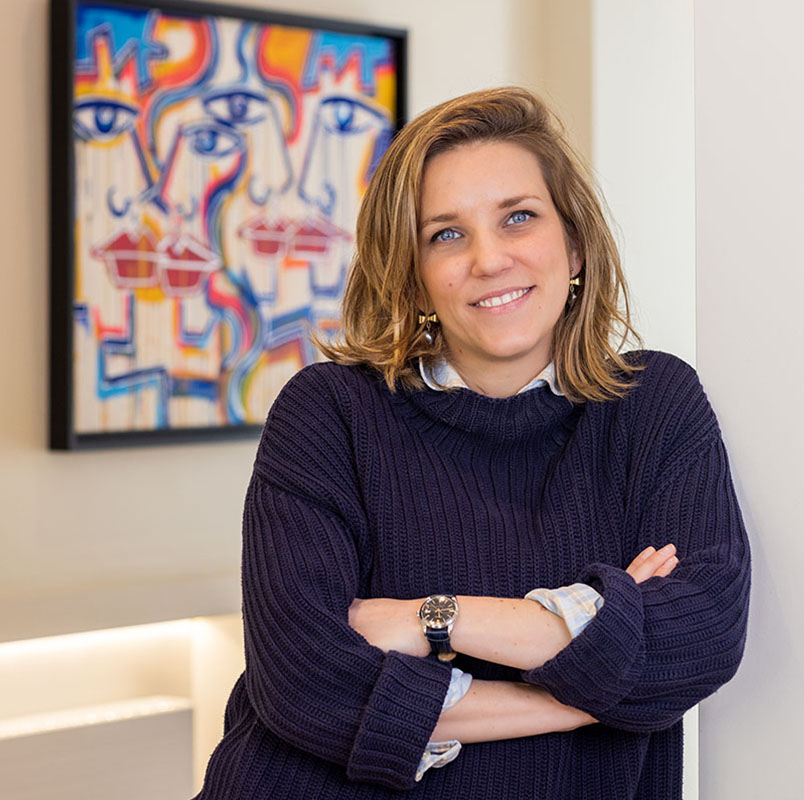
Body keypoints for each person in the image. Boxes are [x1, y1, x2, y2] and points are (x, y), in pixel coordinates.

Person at [193, 87, 751, 799]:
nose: (489, 259)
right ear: (416, 278)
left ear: (574, 245)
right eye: (446, 234)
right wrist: (580, 688)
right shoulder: (330, 411)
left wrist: (429, 620)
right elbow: (305, 681)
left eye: (518, 217)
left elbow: (698, 639)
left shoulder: (652, 405)